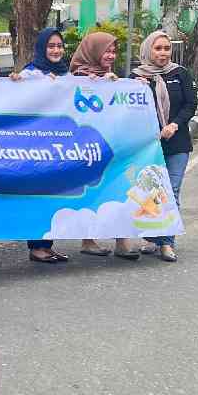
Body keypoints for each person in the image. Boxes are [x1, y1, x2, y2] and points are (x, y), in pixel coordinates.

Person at [131, 31, 196, 263]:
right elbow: (127, 109)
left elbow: (191, 105)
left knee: (172, 192)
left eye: (166, 48)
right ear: (149, 50)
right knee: (149, 192)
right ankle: (150, 238)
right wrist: (132, 87)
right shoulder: (137, 77)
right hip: (149, 146)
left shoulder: (180, 74)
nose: (163, 53)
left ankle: (167, 243)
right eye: (158, 48)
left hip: (177, 144)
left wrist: (175, 125)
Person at [69, 31, 131, 257]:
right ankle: (88, 240)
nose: (112, 55)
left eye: (114, 51)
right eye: (107, 50)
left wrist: (130, 85)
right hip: (88, 148)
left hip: (111, 144)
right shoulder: (79, 76)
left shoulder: (109, 76)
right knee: (93, 192)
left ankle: (122, 240)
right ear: (93, 50)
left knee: (119, 188)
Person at [13, 27, 72, 264]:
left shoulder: (66, 74)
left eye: (59, 46)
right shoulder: (30, 74)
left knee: (54, 196)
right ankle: (36, 246)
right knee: (37, 196)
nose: (56, 50)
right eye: (51, 46)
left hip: (59, 147)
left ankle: (47, 245)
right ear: (41, 48)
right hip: (34, 147)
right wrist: (16, 82)